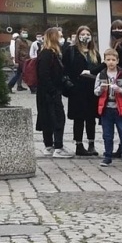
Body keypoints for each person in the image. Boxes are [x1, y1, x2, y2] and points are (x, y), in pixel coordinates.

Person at [64, 25, 100, 157]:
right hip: (77, 89)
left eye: (87, 34)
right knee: (78, 118)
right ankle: (79, 144)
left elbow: (99, 70)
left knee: (91, 118)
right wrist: (69, 85)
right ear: (78, 36)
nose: (85, 36)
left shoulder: (94, 52)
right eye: (83, 34)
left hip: (91, 89)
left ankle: (91, 144)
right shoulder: (71, 50)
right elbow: (65, 68)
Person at [95, 49, 122, 166]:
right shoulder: (101, 74)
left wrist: (121, 90)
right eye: (108, 60)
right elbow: (95, 92)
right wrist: (101, 89)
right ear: (104, 61)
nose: (111, 62)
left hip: (120, 108)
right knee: (107, 135)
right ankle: (107, 156)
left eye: (113, 60)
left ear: (117, 61)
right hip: (106, 108)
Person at [35, 27, 69, 156]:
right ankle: (57, 147)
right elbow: (44, 75)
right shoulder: (47, 54)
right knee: (56, 118)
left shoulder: (52, 53)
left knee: (49, 118)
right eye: (59, 36)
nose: (61, 39)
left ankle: (50, 146)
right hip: (49, 93)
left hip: (48, 92)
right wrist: (53, 90)